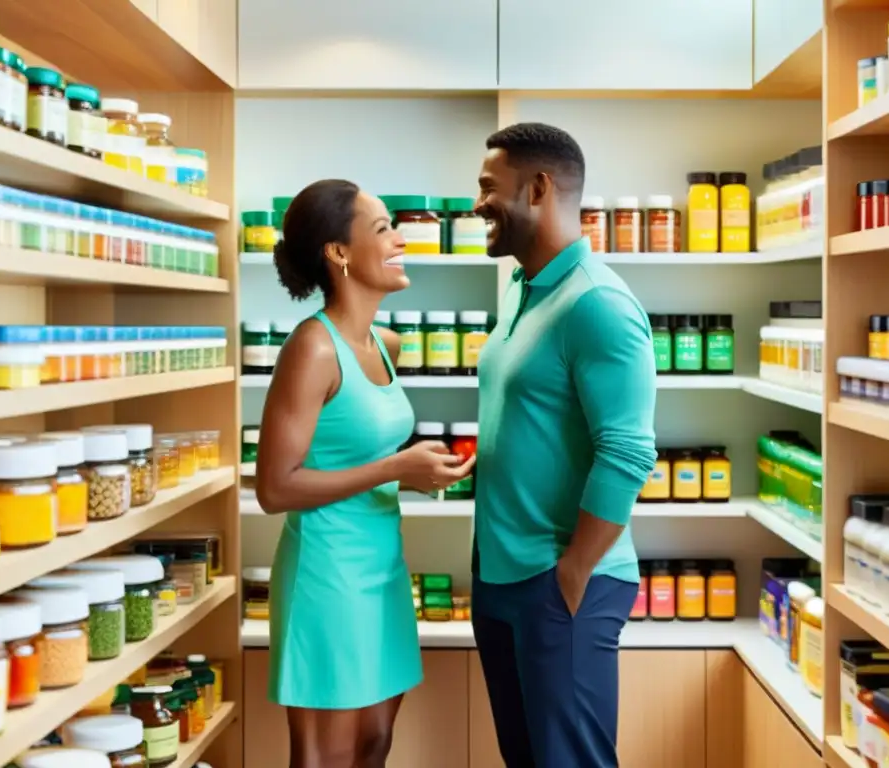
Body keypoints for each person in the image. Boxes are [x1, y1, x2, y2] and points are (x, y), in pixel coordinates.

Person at [255, 179, 475, 768]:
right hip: (327, 573)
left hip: (381, 568)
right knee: (329, 756)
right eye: (383, 229)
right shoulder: (313, 349)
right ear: (339, 252)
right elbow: (275, 487)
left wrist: (416, 471)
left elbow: (355, 459)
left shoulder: (387, 344)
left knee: (374, 744)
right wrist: (396, 466)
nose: (401, 239)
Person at [471, 123, 657, 767]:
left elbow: (628, 452)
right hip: (501, 576)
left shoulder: (598, 303)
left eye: (489, 188)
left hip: (560, 582)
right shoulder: (521, 290)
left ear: (540, 188)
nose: (476, 205)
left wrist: (572, 573)